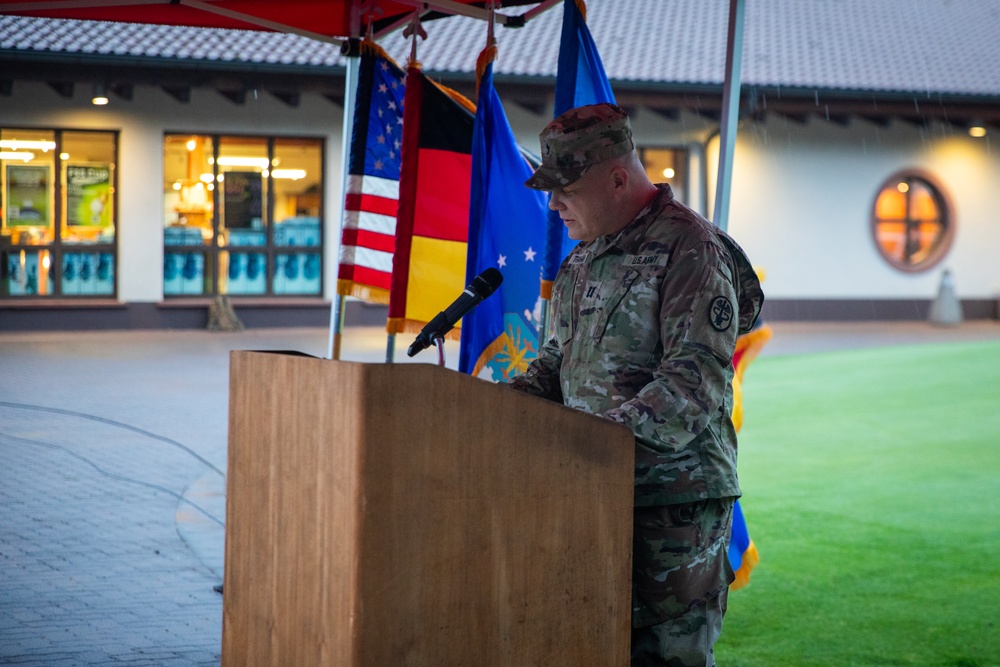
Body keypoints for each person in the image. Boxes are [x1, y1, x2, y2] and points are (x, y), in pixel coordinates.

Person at [507, 103, 764, 667]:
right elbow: (556, 365)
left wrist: (589, 447)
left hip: (672, 512)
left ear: (618, 178)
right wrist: (494, 412)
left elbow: (692, 381)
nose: (554, 204)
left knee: (662, 658)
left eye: (566, 188)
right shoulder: (581, 261)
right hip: (591, 495)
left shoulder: (692, 248)